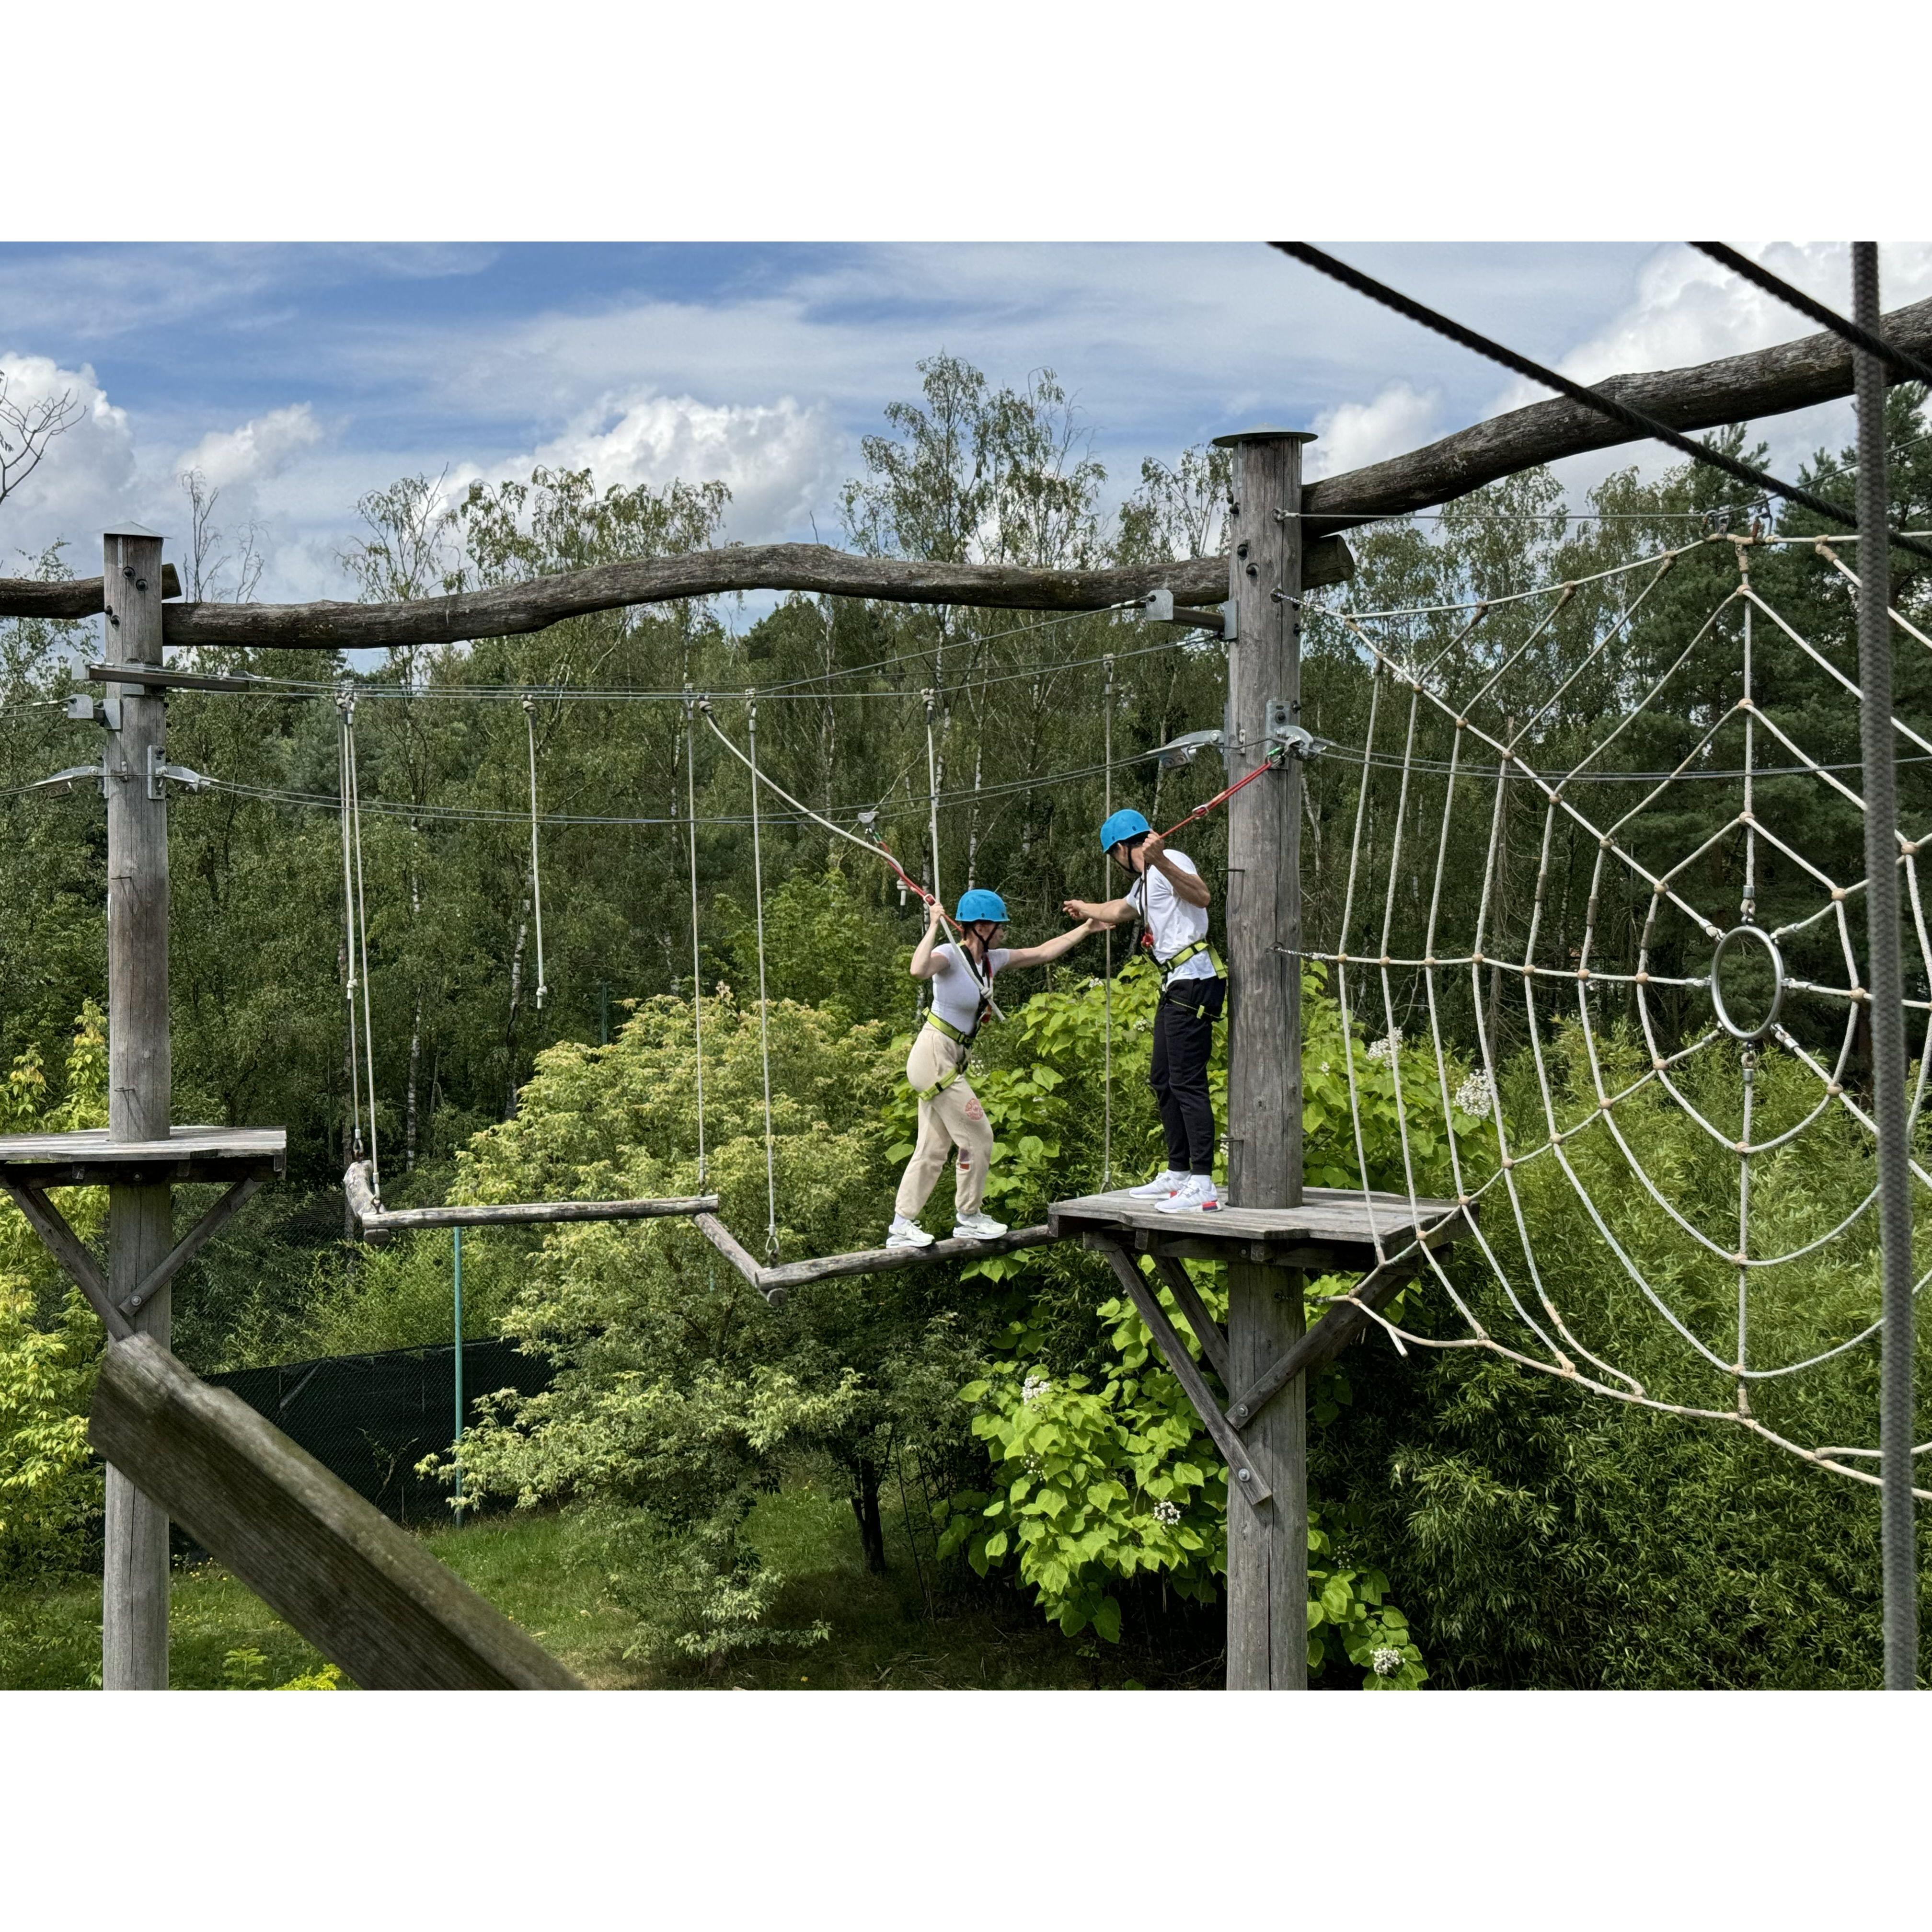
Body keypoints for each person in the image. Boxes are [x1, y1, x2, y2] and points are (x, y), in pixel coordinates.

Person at [888, 888, 1100, 1249]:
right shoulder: (949, 955)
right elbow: (918, 969)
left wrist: (1087, 929)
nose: (1003, 932)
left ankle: (901, 1225)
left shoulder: (991, 962)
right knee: (979, 1136)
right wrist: (934, 923)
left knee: (934, 1147)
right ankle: (968, 1217)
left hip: (951, 1057)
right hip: (934, 1054)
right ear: (981, 927)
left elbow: (1043, 952)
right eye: (998, 926)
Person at [1064, 808, 1225, 1214]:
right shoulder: (1146, 881)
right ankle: (1179, 1172)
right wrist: (1086, 908)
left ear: (1120, 849)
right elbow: (1120, 911)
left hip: (1196, 979)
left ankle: (1203, 1183)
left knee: (1187, 1081)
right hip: (1176, 982)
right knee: (1163, 1078)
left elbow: (1202, 897)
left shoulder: (1172, 862)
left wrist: (1163, 859)